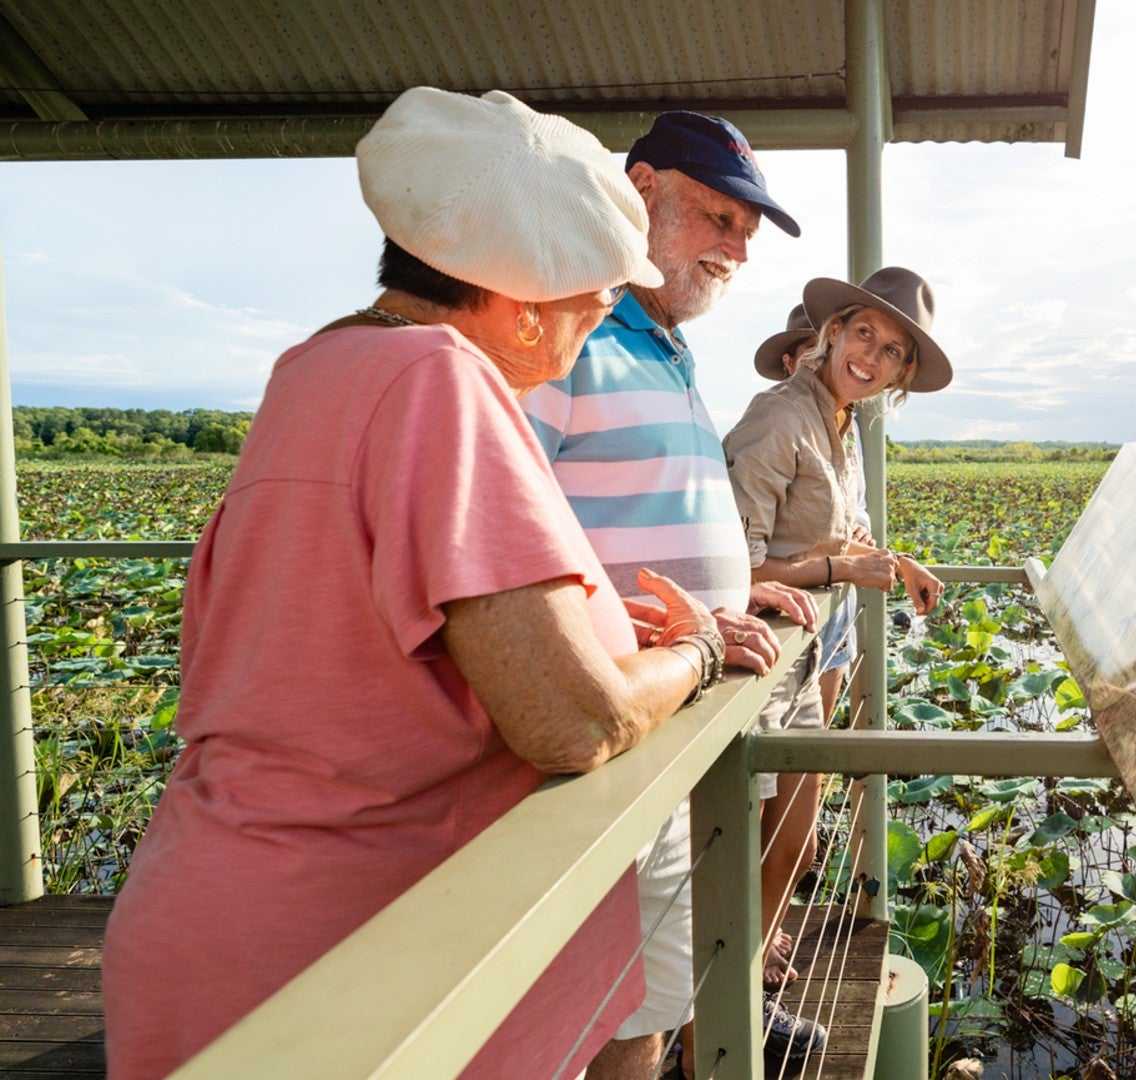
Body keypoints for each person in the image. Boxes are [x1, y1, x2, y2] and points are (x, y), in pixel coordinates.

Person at [101, 89, 728, 1079]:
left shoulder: (315, 366)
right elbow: (575, 721)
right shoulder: (444, 380)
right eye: (594, 307)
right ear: (524, 306)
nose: (586, 337)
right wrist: (695, 654)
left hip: (223, 926)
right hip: (348, 968)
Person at [519, 110, 816, 1080]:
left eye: (745, 231)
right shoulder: (556, 333)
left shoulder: (662, 341)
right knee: (598, 1019)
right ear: (639, 188)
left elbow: (642, 513)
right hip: (592, 743)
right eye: (713, 217)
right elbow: (503, 534)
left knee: (641, 1004)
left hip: (662, 721)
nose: (734, 247)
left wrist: (730, 604)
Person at [723, 267, 953, 1044]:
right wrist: (839, 572)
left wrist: (895, 562)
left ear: (901, 376)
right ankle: (721, 1024)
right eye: (864, 335)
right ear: (830, 334)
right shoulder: (778, 419)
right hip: (759, 659)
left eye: (892, 351)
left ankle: (748, 983)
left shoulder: (841, 422)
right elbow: (734, 567)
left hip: (804, 650)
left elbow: (839, 536)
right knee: (755, 838)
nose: (873, 356)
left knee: (801, 833)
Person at [753, 304, 875, 731]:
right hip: (776, 631)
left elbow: (844, 519)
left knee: (814, 746)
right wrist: (845, 564)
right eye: (812, 352)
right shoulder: (778, 419)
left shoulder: (847, 426)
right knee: (768, 780)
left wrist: (882, 556)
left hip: (829, 615)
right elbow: (747, 562)